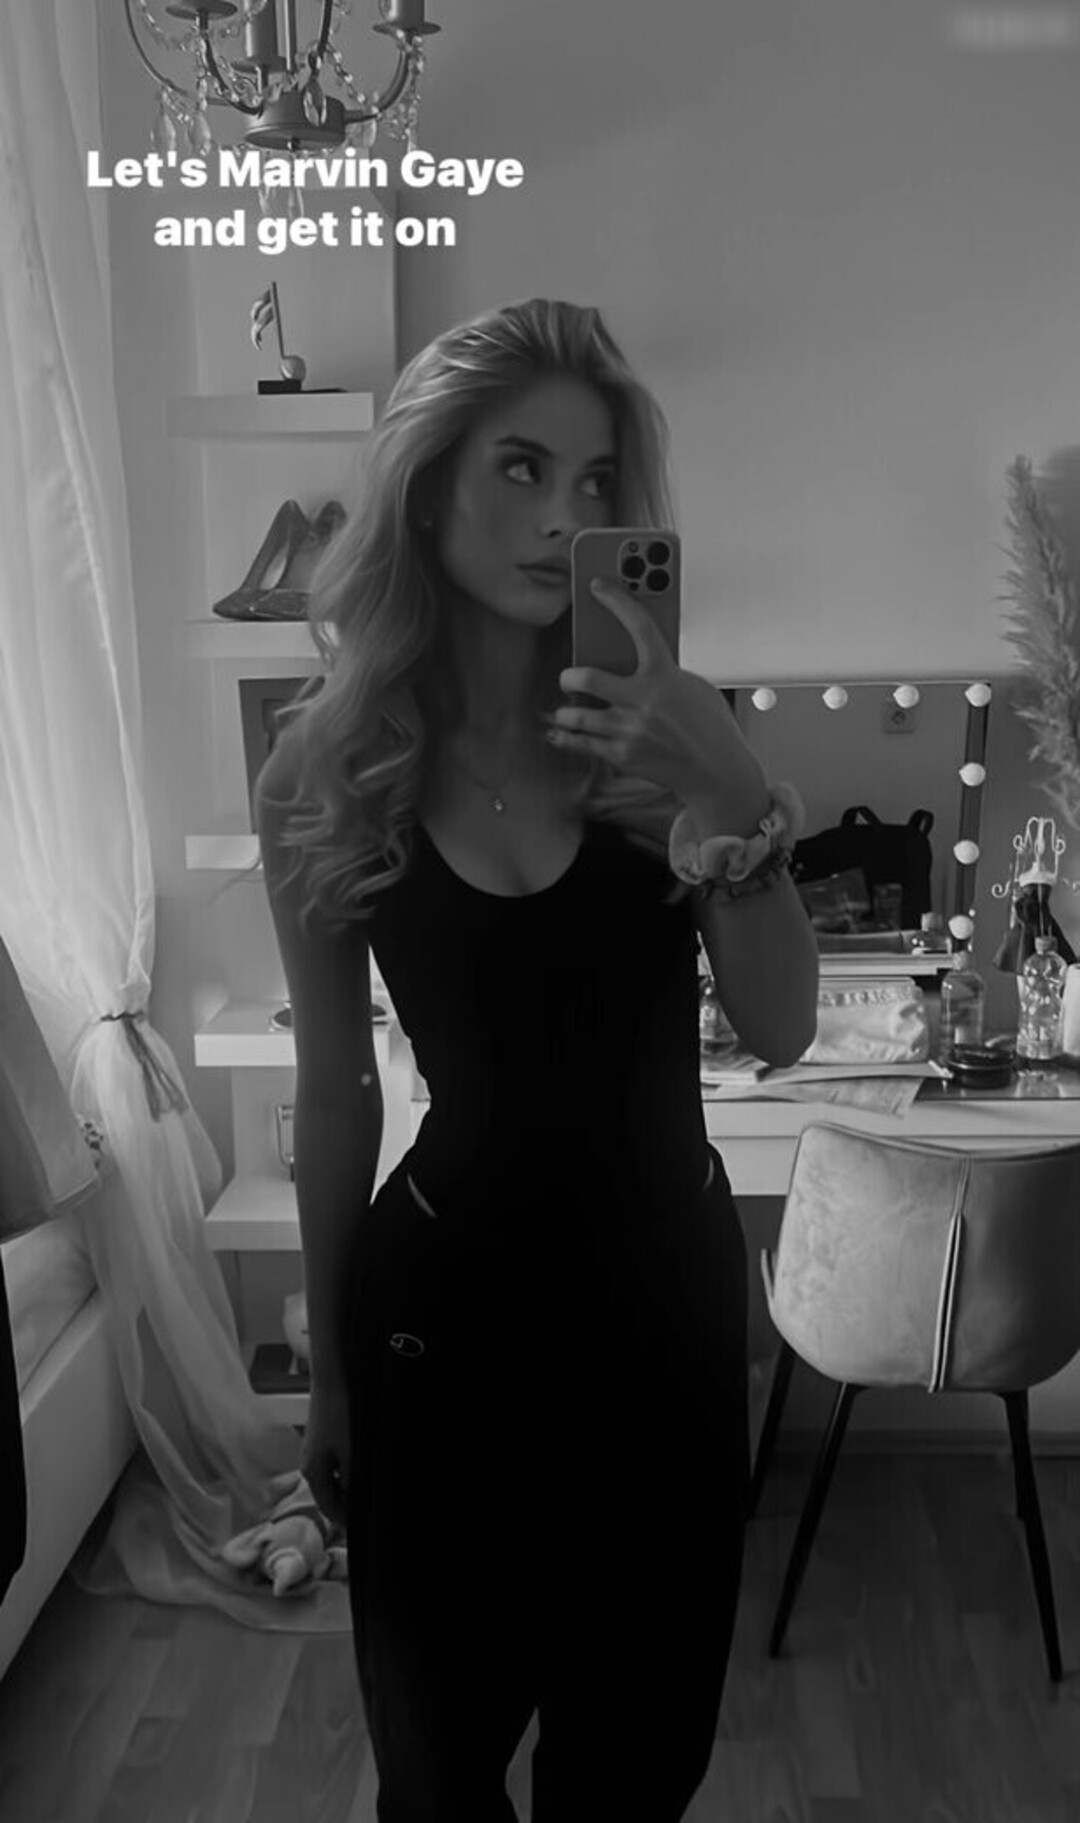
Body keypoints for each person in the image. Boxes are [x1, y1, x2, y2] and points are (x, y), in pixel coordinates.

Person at [254, 297, 819, 1823]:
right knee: (437, 1777)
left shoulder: (667, 741)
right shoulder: (328, 766)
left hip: (663, 1320)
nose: (563, 514)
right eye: (520, 468)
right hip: (440, 1328)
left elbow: (783, 1030)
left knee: (634, 1773)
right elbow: (334, 1089)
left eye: (596, 482)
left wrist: (730, 796)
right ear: (427, 483)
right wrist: (328, 1379)